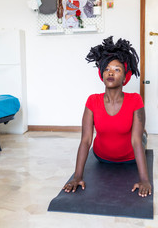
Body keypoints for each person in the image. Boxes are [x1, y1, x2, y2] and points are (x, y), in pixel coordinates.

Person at [63, 36, 152, 197]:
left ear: (125, 77)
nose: (111, 72)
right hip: (102, 157)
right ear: (102, 74)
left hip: (129, 158)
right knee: (133, 132)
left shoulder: (135, 99)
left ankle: (143, 131)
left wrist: (145, 179)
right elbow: (86, 139)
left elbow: (135, 141)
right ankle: (142, 130)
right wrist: (77, 176)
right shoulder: (92, 100)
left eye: (117, 69)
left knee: (140, 136)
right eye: (107, 69)